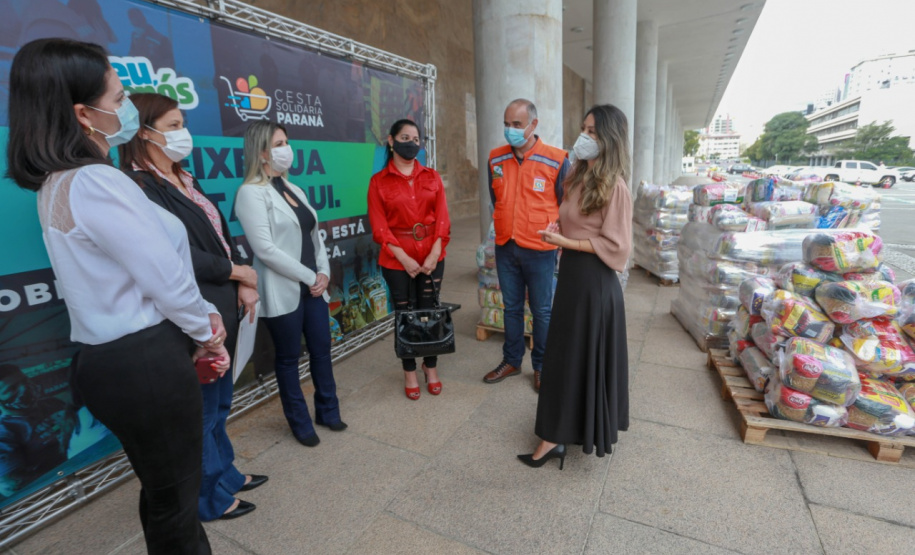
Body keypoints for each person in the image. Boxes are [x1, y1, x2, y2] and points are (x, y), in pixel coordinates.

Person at [7, 38, 230, 554]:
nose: (126, 107)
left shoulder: (60, 183)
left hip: (115, 362)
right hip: (144, 360)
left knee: (165, 494)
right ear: (83, 114)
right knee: (176, 503)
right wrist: (207, 333)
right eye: (119, 98)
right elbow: (164, 276)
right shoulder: (96, 182)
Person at [119, 93, 267, 522]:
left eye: (182, 124)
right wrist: (238, 273)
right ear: (144, 132)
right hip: (190, 312)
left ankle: (225, 474)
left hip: (223, 302)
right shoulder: (137, 186)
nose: (182, 133)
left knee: (219, 405)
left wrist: (242, 278)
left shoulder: (184, 176)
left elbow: (219, 236)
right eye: (172, 126)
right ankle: (207, 497)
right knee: (200, 412)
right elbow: (172, 255)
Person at [518, 104, 633, 470]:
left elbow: (617, 247)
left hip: (593, 283)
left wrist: (565, 242)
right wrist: (559, 228)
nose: (584, 136)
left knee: (574, 356)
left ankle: (554, 438)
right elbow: (573, 220)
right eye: (584, 128)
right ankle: (559, 433)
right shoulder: (577, 175)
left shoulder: (616, 187)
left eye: (593, 131)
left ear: (609, 138)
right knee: (565, 357)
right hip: (570, 276)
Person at [234, 120, 346, 447]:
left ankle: (328, 411)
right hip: (283, 288)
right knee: (288, 358)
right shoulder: (250, 193)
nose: (287, 149)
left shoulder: (294, 189)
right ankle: (300, 423)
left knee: (322, 348)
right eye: (279, 144)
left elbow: (315, 237)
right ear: (262, 152)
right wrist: (311, 277)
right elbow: (265, 250)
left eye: (287, 142)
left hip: (313, 286)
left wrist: (323, 272)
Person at [483, 99, 571, 392]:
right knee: (511, 307)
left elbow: (566, 203)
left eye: (517, 124)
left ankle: (542, 366)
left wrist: (560, 238)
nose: (510, 129)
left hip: (540, 249)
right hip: (506, 245)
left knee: (542, 310)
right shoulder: (495, 158)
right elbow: (496, 199)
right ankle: (511, 361)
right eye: (506, 124)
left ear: (533, 124)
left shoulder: (556, 159)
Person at [367, 119, 451, 400]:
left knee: (429, 311)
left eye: (416, 139)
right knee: (404, 316)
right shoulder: (378, 182)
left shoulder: (432, 177)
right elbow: (379, 227)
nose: (412, 144)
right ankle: (409, 371)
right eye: (405, 138)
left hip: (432, 253)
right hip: (396, 258)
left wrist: (435, 252)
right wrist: (403, 257)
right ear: (391, 141)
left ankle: (431, 366)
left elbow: (443, 218)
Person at [0, 364, 78, 498]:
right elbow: (10, 484)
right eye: (12, 388)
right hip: (59, 492)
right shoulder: (4, 432)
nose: (24, 388)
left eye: (25, 381)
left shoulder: (52, 403)